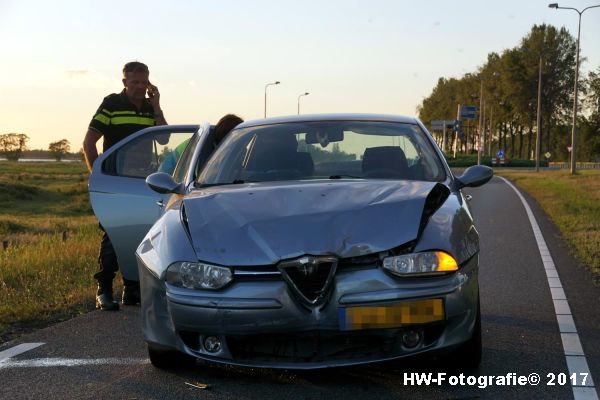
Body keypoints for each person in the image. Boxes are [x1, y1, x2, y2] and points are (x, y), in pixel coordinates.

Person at [83, 61, 167, 311]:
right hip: (116, 180)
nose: (140, 87)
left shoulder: (149, 108)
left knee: (143, 233)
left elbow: (163, 137)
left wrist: (157, 106)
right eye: (135, 82)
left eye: (144, 82)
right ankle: (104, 289)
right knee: (114, 233)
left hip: (144, 181)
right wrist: (98, 174)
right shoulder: (112, 104)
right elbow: (89, 142)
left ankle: (132, 291)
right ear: (125, 82)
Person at [158, 114, 244, 175]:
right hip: (173, 189)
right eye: (238, 138)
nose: (242, 144)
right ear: (228, 137)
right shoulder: (200, 147)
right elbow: (205, 176)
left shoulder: (235, 149)